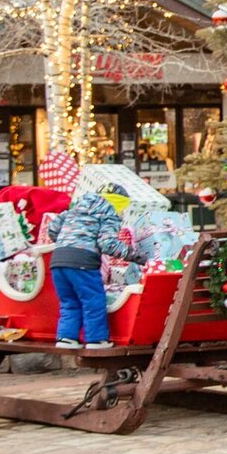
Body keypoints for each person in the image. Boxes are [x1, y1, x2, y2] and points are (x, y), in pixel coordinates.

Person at [37, 149, 132, 351]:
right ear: (119, 203)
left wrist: (66, 242)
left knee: (69, 301)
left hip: (58, 260)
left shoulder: (76, 207)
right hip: (83, 261)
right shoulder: (109, 212)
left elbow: (52, 228)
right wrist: (135, 255)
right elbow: (107, 243)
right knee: (93, 299)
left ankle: (66, 338)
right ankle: (96, 340)